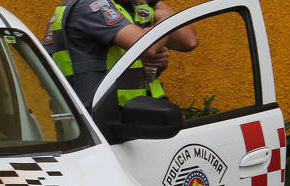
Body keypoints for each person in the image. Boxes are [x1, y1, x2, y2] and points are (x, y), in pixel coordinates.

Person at [42, 0, 198, 111]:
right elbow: (147, 46)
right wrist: (167, 20)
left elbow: (188, 41)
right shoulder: (90, 6)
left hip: (132, 115)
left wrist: (156, 3)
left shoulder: (132, 6)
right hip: (97, 119)